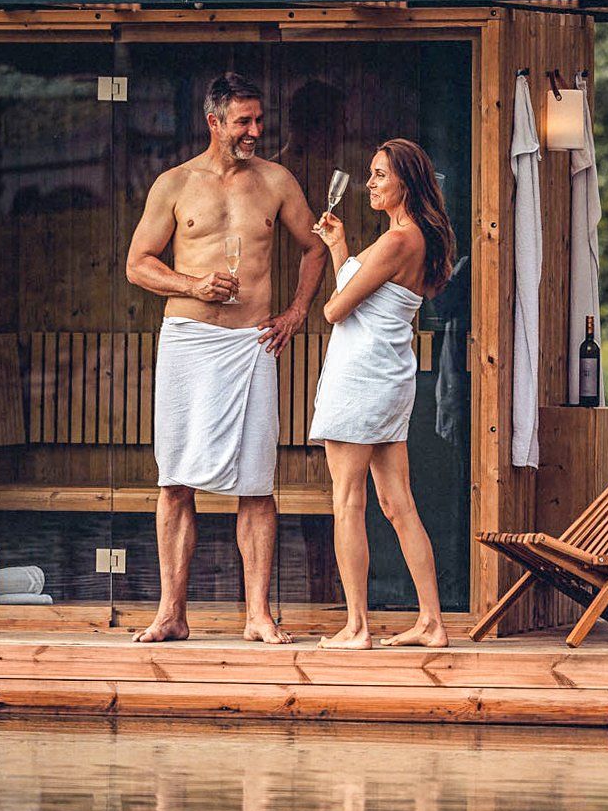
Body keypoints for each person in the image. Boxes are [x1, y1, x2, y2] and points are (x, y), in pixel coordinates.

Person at [124, 73, 326, 644]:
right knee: (175, 481)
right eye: (243, 122)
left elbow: (313, 249)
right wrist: (192, 284)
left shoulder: (276, 182)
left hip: (252, 344)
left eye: (259, 121)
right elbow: (137, 263)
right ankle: (171, 613)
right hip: (189, 344)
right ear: (214, 122)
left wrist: (295, 313)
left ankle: (257, 614)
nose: (255, 132)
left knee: (257, 483)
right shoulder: (175, 185)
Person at [306, 139, 457, 649]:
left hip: (362, 379)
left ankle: (356, 627)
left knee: (347, 501)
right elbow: (368, 298)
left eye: (378, 175)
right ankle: (432, 622)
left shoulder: (397, 241)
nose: (369, 183)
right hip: (387, 379)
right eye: (369, 175)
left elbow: (335, 310)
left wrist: (336, 281)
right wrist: (338, 247)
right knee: (398, 504)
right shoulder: (407, 239)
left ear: (405, 183)